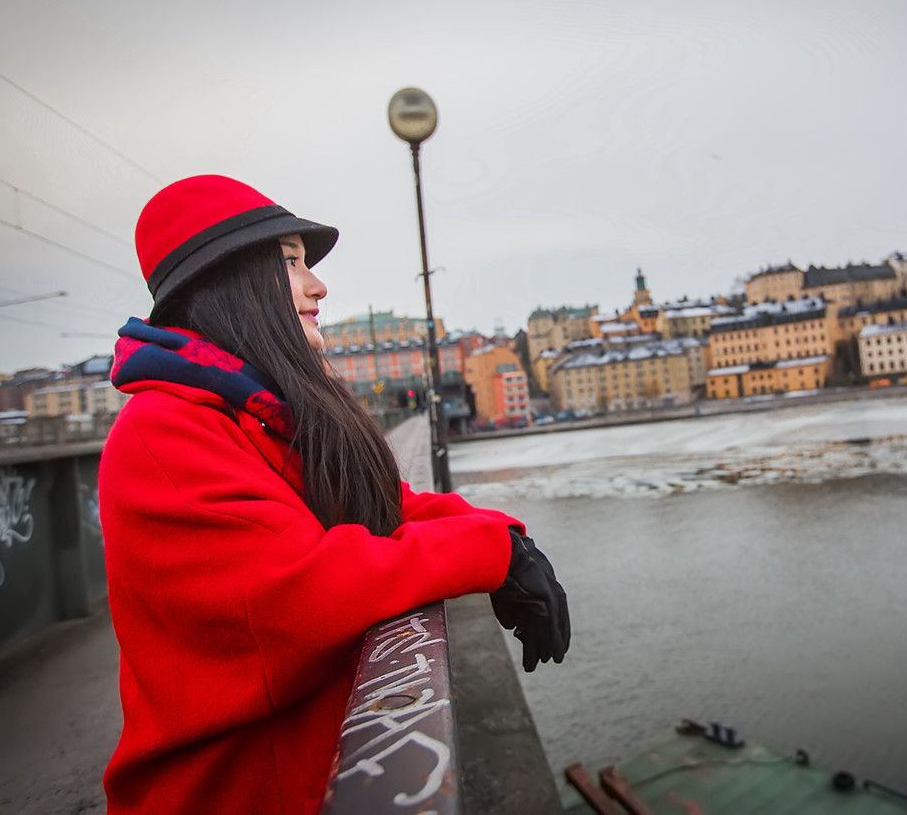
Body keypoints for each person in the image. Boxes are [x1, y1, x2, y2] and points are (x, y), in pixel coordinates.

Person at [98, 174, 569, 814]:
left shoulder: (255, 411)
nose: (319, 285)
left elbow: (381, 506)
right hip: (236, 792)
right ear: (229, 281)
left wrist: (507, 538)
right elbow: (298, 594)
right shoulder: (163, 432)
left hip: (302, 774)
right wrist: (485, 554)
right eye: (291, 262)